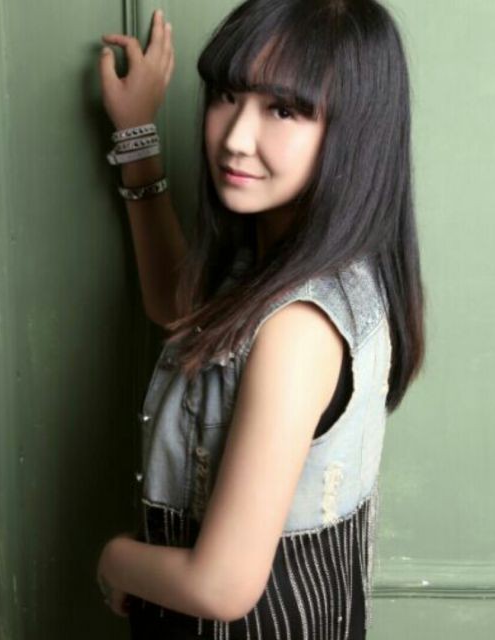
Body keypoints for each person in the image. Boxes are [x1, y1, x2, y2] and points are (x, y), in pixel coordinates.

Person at [95, 0, 425, 638]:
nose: (236, 138)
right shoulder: (309, 262)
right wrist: (137, 136)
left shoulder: (297, 326)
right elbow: (178, 307)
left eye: (283, 110)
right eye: (227, 96)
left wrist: (114, 559)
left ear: (356, 130)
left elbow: (220, 587)